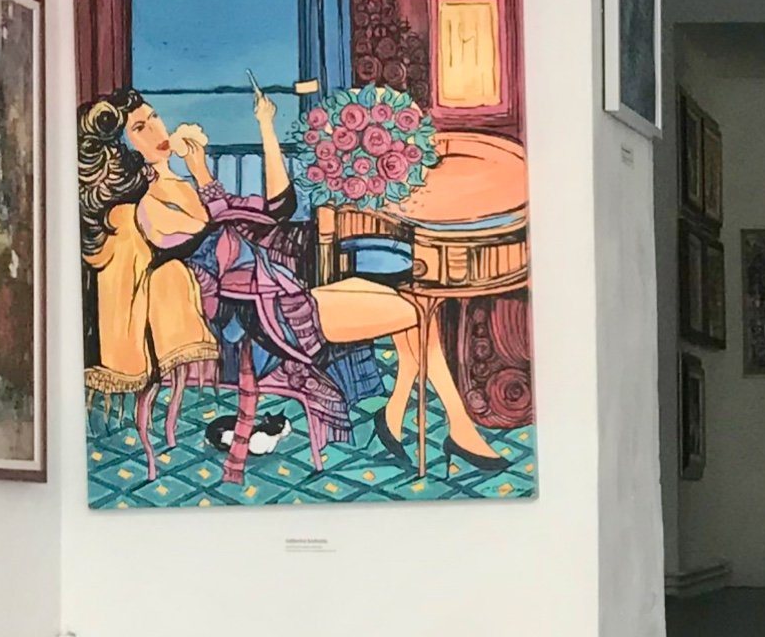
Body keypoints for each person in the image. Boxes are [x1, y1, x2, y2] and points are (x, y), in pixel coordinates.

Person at [77, 85, 505, 475]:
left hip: (279, 292)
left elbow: (276, 209)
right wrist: (201, 173)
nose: (156, 130)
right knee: (414, 310)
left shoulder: (182, 186)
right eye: (139, 128)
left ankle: (424, 423)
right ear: (124, 149)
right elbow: (223, 233)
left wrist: (257, 130)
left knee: (410, 303)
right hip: (260, 319)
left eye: (153, 117)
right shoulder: (148, 205)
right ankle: (439, 427)